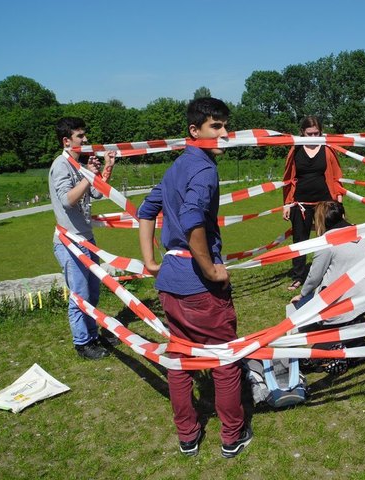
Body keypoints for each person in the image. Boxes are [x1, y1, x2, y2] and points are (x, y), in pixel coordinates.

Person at [137, 98, 252, 459]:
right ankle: (232, 436)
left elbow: (146, 210)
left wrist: (151, 261)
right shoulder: (203, 169)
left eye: (225, 126)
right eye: (215, 126)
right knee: (223, 360)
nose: (224, 133)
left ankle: (188, 436)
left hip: (169, 281)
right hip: (198, 286)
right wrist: (210, 269)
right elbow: (191, 218)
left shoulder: (176, 167)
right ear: (194, 131)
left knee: (181, 360)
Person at [49, 117, 116, 360]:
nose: (85, 140)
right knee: (80, 295)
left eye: (84, 135)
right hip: (69, 243)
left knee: (93, 293)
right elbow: (67, 199)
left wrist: (107, 167)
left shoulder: (78, 166)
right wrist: (88, 175)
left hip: (86, 239)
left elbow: (97, 192)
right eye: (80, 136)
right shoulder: (61, 165)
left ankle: (92, 335)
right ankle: (82, 344)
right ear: (67, 141)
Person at [290, 201, 365, 374]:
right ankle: (357, 334)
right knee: (331, 334)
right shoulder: (360, 235)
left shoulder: (327, 243)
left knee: (311, 358)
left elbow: (314, 277)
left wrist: (302, 296)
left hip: (345, 304)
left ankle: (351, 349)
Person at [282, 116, 345, 291]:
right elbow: (288, 179)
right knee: (300, 241)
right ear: (302, 132)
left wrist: (339, 203)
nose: (313, 136)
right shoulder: (295, 150)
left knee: (326, 240)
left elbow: (336, 177)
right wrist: (287, 204)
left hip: (324, 203)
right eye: (309, 133)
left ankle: (327, 273)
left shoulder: (327, 149)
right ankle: (298, 276)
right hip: (300, 204)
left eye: (317, 133)